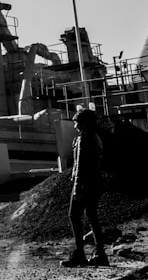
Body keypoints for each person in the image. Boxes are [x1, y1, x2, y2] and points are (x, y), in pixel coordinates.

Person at [61, 108, 109, 267]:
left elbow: (80, 165)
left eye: (76, 122)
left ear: (83, 123)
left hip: (84, 184)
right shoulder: (96, 137)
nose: (74, 125)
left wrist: (77, 188)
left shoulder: (83, 139)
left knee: (74, 216)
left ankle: (79, 255)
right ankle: (101, 254)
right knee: (92, 217)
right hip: (95, 183)